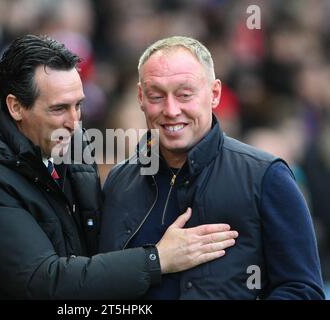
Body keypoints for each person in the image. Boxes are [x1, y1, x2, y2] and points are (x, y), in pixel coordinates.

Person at [0, 35, 238, 299]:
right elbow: (45, 281)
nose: (74, 121)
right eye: (59, 109)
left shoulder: (67, 143)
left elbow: (91, 251)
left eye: (78, 105)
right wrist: (157, 259)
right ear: (16, 107)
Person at [99, 36, 325, 300]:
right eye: (156, 95)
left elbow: (303, 290)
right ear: (140, 97)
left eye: (184, 95)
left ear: (214, 93)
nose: (171, 110)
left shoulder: (266, 176)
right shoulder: (118, 182)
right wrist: (153, 260)